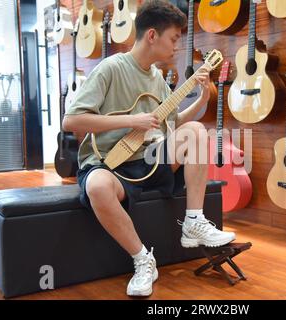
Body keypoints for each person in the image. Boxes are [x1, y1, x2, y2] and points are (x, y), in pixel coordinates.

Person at [62, 0, 236, 297]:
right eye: (173, 38)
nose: (176, 46)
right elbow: (71, 121)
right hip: (110, 163)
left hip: (150, 160)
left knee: (194, 131)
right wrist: (132, 120)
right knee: (96, 186)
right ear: (152, 35)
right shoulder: (111, 68)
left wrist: (202, 99)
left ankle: (194, 221)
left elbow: (171, 121)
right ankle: (143, 259)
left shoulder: (157, 78)